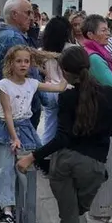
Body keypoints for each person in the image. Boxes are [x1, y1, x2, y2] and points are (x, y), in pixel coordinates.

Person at [17, 46, 112, 223]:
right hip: (94, 167)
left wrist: (33, 156)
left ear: (64, 71)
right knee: (73, 216)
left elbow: (62, 138)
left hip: (64, 164)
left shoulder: (67, 98)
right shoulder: (108, 94)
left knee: (70, 217)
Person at [0, 46, 66, 223]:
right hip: (7, 129)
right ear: (11, 63)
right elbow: (8, 113)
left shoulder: (32, 83)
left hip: (26, 128)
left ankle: (28, 215)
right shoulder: (3, 85)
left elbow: (58, 87)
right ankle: (7, 211)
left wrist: (64, 69)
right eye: (19, 61)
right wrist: (14, 138)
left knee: (29, 171)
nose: (23, 65)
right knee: (5, 170)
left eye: (26, 61)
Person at [81, 14, 112, 223]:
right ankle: (101, 213)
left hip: (94, 113)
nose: (108, 33)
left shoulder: (91, 52)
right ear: (90, 34)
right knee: (104, 160)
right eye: (103, 30)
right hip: (101, 115)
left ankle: (98, 210)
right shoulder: (95, 57)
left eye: (108, 29)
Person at [39, 16, 73, 144]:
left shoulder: (41, 51)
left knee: (49, 126)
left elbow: (40, 71)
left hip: (49, 90)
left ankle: (44, 155)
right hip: (66, 89)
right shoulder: (72, 49)